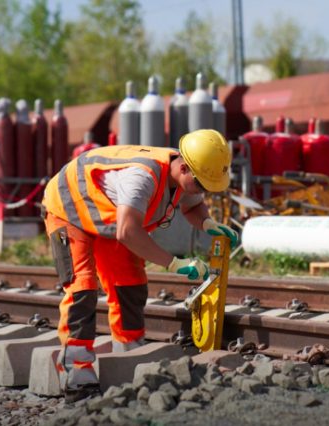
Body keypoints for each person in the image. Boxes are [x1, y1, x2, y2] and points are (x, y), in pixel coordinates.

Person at [41, 129, 238, 403]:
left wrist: (208, 223)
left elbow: (193, 207)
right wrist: (173, 263)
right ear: (183, 167)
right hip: (68, 209)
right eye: (202, 185)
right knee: (82, 288)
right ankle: (76, 373)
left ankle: (128, 355)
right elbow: (128, 232)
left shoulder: (185, 174)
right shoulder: (141, 178)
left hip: (106, 217)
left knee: (129, 283)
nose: (203, 191)